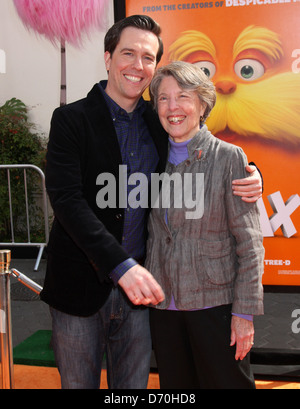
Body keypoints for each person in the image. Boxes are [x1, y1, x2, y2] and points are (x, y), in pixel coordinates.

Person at [40, 15, 263, 389]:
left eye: (148, 57)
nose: (138, 65)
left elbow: (200, 149)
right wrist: (121, 266)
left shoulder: (157, 120)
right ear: (108, 57)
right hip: (80, 289)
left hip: (142, 301)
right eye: (128, 53)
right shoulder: (70, 119)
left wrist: (251, 172)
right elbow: (66, 199)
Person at [146, 61, 265, 389]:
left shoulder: (229, 158)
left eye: (183, 96)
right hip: (164, 309)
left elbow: (250, 243)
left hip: (216, 308)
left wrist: (244, 314)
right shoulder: (150, 159)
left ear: (203, 103)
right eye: (163, 99)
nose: (173, 107)